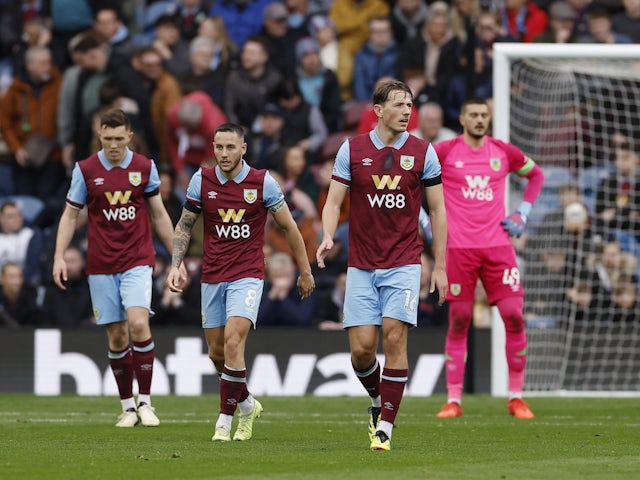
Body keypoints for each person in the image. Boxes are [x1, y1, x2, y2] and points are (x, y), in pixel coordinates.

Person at [315, 79, 448, 451]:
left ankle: (386, 427)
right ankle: (377, 401)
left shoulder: (423, 152)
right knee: (361, 351)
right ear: (377, 110)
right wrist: (327, 235)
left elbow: (437, 209)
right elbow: (333, 201)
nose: (407, 111)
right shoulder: (352, 149)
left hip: (405, 261)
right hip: (361, 264)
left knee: (394, 335)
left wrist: (439, 265)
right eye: (399, 105)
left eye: (410, 105)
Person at [166, 123, 315, 443]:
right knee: (217, 354)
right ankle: (247, 404)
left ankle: (224, 422)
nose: (223, 153)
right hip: (212, 276)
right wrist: (175, 265)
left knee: (234, 343)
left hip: (248, 275)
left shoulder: (263, 183)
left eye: (230, 147)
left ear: (243, 148)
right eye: (218, 147)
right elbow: (184, 225)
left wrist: (305, 271)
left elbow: (289, 228)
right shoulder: (201, 180)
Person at [52, 109, 186, 428]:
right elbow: (71, 216)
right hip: (100, 263)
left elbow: (158, 215)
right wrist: (59, 255)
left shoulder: (144, 167)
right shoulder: (85, 170)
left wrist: (176, 258)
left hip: (137, 258)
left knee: (138, 324)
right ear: (100, 136)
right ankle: (127, 407)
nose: (113, 145)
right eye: (107, 138)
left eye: (118, 139)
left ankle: (146, 403)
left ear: (129, 136)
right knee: (116, 335)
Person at [432, 97, 545, 420]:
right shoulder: (445, 151)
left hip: (498, 247)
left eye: (484, 115)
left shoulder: (503, 151)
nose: (480, 120)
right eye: (474, 115)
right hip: (459, 249)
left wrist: (523, 212)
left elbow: (536, 176)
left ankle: (516, 398)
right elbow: (416, 181)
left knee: (513, 315)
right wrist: (426, 220)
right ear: (462, 119)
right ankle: (453, 400)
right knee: (459, 320)